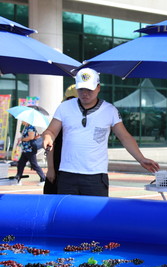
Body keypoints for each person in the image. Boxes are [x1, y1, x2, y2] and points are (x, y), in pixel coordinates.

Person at [42, 68, 160, 196]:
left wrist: (141, 159)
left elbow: (124, 137)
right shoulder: (64, 107)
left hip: (96, 177)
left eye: (89, 89)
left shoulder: (110, 110)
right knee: (67, 215)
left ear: (98, 88)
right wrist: (48, 137)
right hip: (68, 175)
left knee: (95, 215)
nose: (85, 93)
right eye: (81, 89)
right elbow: (51, 131)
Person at [43, 84, 77, 194]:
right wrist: (51, 169)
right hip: (58, 167)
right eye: (69, 99)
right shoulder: (60, 120)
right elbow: (51, 145)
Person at [14, 120, 46, 186]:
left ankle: (43, 179)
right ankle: (18, 179)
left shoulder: (31, 127)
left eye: (23, 120)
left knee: (34, 165)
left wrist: (21, 139)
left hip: (30, 149)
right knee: (20, 164)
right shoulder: (26, 127)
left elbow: (30, 137)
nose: (22, 122)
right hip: (26, 149)